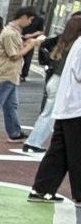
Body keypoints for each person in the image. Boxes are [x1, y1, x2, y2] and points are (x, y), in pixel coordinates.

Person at [28, 27, 81, 202]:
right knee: (74, 152)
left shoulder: (78, 42)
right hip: (76, 107)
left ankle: (41, 189)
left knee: (59, 152)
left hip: (67, 106)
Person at [21, 14, 80, 154]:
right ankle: (33, 142)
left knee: (48, 114)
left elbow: (44, 45)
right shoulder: (76, 44)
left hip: (54, 79)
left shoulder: (64, 39)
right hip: (61, 82)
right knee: (51, 115)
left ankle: (33, 141)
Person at [0, 5, 44, 142]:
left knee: (11, 105)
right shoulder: (10, 33)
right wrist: (31, 45)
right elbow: (14, 55)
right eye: (29, 20)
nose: (30, 23)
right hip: (5, 73)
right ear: (23, 17)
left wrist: (27, 43)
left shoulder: (13, 31)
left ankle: (14, 132)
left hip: (10, 74)